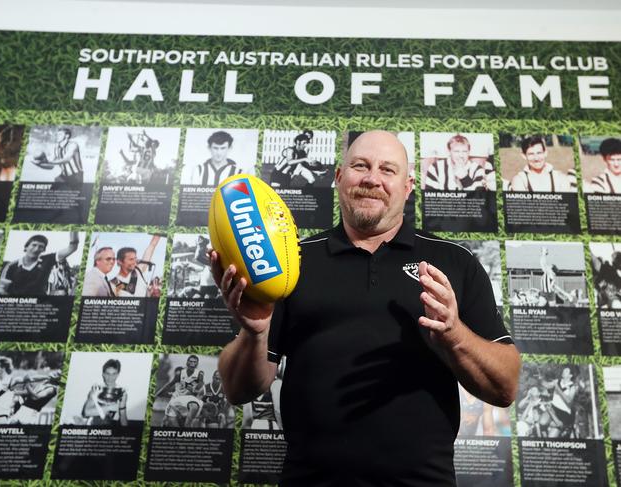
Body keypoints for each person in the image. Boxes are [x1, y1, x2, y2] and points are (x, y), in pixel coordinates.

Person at [213, 130, 520, 486]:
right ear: (340, 177)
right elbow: (239, 389)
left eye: (388, 170)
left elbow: (506, 386)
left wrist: (455, 335)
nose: (372, 178)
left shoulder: (454, 261)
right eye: (361, 166)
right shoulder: (291, 262)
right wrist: (255, 334)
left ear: (407, 187)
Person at [0, 231, 79, 296]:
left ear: (43, 250)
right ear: (26, 247)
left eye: (41, 247)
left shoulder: (48, 259)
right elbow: (2, 290)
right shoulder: (11, 266)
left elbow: (72, 247)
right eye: (34, 245)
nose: (36, 249)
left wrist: (74, 227)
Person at [424, 134, 495, 191]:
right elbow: (430, 197)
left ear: (469, 152)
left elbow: (478, 200)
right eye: (456, 151)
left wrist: (465, 178)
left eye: (464, 151)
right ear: (449, 151)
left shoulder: (477, 169)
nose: (461, 155)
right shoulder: (435, 168)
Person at [509, 136, 575, 193]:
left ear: (545, 153)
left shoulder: (560, 178)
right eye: (531, 154)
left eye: (539, 153)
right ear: (524, 156)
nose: (536, 158)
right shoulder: (520, 180)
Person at [155, 355, 205, 427]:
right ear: (187, 362)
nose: (192, 363)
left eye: (194, 362)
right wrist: (158, 393)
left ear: (197, 364)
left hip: (187, 400)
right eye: (190, 361)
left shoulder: (199, 373)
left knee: (187, 421)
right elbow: (170, 384)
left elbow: (201, 382)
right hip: (176, 398)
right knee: (167, 420)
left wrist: (195, 389)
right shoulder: (180, 373)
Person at [81, 359, 128, 426]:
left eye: (114, 374)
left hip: (112, 426)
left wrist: (126, 433)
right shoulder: (96, 389)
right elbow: (86, 412)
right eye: (107, 373)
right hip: (94, 425)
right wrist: (109, 407)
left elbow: (123, 418)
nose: (110, 377)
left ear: (118, 374)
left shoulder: (121, 392)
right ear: (103, 374)